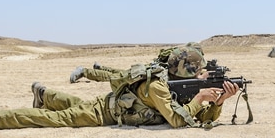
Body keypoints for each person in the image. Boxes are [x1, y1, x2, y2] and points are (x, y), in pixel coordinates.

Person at [0, 62, 239, 132]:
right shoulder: (159, 86)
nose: (202, 76)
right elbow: (179, 121)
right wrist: (202, 95)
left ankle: (44, 94)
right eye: (199, 73)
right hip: (104, 114)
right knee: (55, 120)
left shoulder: (175, 86)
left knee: (73, 106)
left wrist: (217, 102)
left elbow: (193, 116)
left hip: (107, 106)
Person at [68, 43, 205, 84]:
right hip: (154, 70)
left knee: (121, 72)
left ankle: (100, 68)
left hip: (155, 68)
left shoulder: (188, 55)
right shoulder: (187, 56)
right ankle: (84, 71)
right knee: (116, 77)